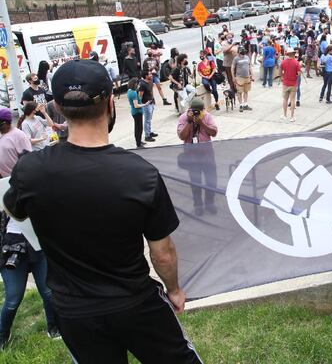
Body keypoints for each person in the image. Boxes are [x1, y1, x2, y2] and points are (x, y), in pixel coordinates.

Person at [3, 59, 204, 364]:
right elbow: (162, 252)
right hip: (137, 302)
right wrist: (174, 289)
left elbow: (15, 212)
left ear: (57, 105)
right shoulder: (140, 174)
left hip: (74, 310)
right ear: (111, 102)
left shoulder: (30, 170)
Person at [0, 107, 60, 350]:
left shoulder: (43, 195)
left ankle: (53, 328)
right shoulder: (7, 196)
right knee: (13, 298)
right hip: (13, 250)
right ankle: (2, 335)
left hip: (38, 249)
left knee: (48, 292)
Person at [176, 98, 218, 217]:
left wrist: (202, 123)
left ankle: (210, 203)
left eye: (200, 111)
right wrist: (189, 122)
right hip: (192, 156)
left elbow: (214, 133)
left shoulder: (207, 116)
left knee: (211, 181)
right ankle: (198, 205)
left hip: (207, 155)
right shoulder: (184, 118)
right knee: (195, 182)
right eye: (195, 111)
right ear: (190, 110)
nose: (197, 113)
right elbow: (181, 136)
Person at [280, 48, 302, 122]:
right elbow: (299, 74)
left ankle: (284, 115)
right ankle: (292, 117)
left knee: (285, 99)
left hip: (285, 83)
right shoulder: (296, 63)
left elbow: (280, 72)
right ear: (293, 54)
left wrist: (282, 77)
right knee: (293, 100)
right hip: (293, 84)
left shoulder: (283, 62)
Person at [127, 77, 148, 148]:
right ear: (135, 84)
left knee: (138, 127)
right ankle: (138, 143)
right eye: (138, 84)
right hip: (137, 112)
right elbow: (136, 105)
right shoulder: (133, 93)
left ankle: (139, 141)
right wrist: (145, 104)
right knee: (139, 128)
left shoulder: (129, 91)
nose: (139, 86)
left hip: (135, 112)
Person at [232, 47, 254, 112]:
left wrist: (252, 75)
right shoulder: (236, 59)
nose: (242, 54)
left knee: (246, 91)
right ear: (238, 52)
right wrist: (233, 77)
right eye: (241, 52)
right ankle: (241, 105)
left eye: (243, 52)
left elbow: (250, 67)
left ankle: (245, 104)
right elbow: (232, 68)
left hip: (247, 77)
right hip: (239, 78)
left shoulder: (247, 57)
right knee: (239, 92)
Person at [139, 70, 158, 142]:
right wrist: (142, 105)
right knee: (147, 120)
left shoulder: (150, 82)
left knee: (149, 119)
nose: (151, 75)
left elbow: (151, 91)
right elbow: (140, 96)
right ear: (146, 76)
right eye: (149, 74)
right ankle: (147, 136)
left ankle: (149, 132)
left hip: (151, 103)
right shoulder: (142, 84)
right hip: (146, 105)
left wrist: (153, 100)